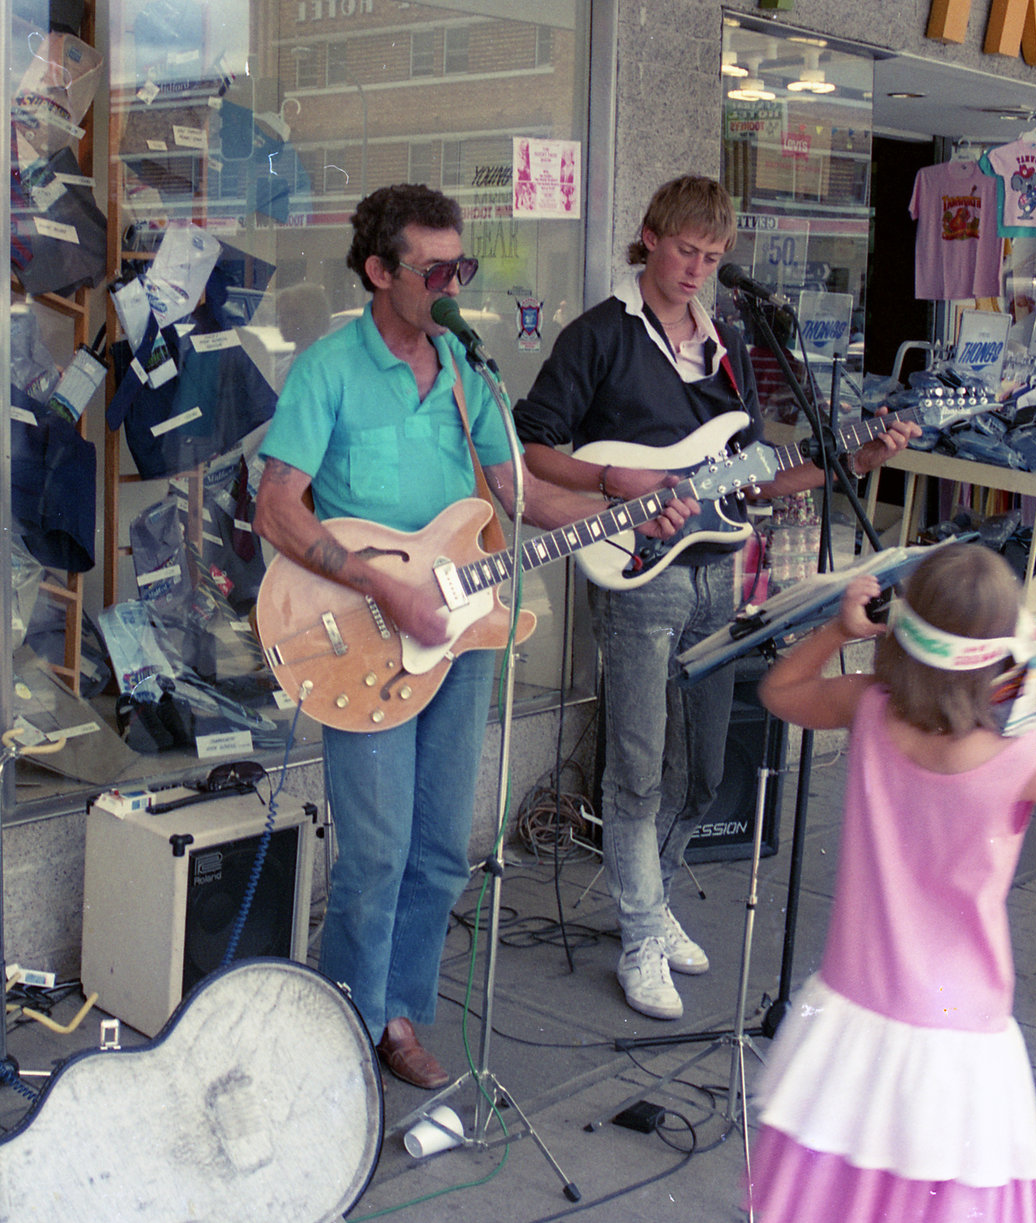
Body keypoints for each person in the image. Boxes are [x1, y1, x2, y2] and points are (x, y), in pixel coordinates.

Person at [253, 183, 695, 1088]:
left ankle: (398, 1012)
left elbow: (520, 496)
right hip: (362, 634)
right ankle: (346, 1014)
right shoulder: (329, 370)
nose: (454, 284)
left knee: (440, 852)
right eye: (435, 269)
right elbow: (276, 507)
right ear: (378, 273)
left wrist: (626, 507)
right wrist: (381, 585)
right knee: (373, 854)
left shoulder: (467, 369)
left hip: (464, 635)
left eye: (463, 265)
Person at [510, 174, 918, 1020]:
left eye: (713, 255)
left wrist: (865, 454)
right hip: (637, 573)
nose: (697, 267)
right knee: (633, 766)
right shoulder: (598, 336)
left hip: (716, 571)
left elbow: (758, 478)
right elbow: (533, 448)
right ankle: (636, 934)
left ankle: (651, 906)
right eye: (686, 249)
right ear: (650, 237)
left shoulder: (728, 338)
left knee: (699, 766)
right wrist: (614, 478)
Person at [751, 543, 1036, 1223]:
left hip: (854, 1006)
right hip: (956, 1028)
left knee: (845, 1196)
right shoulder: (1021, 760)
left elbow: (779, 692)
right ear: (1002, 656)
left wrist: (837, 631)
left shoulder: (870, 707)